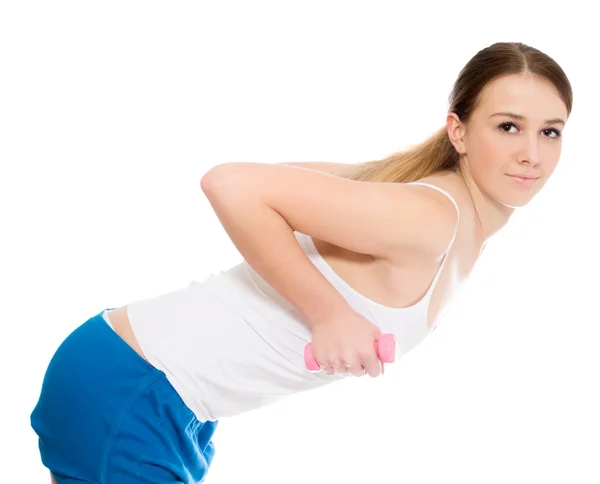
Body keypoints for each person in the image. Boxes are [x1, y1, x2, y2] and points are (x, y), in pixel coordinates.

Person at [31, 41, 572, 483]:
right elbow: (231, 184)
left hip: (155, 393)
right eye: (508, 126)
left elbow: (287, 180)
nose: (532, 153)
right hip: (132, 390)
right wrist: (328, 313)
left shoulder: (428, 199)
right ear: (459, 131)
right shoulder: (429, 216)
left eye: (550, 130)